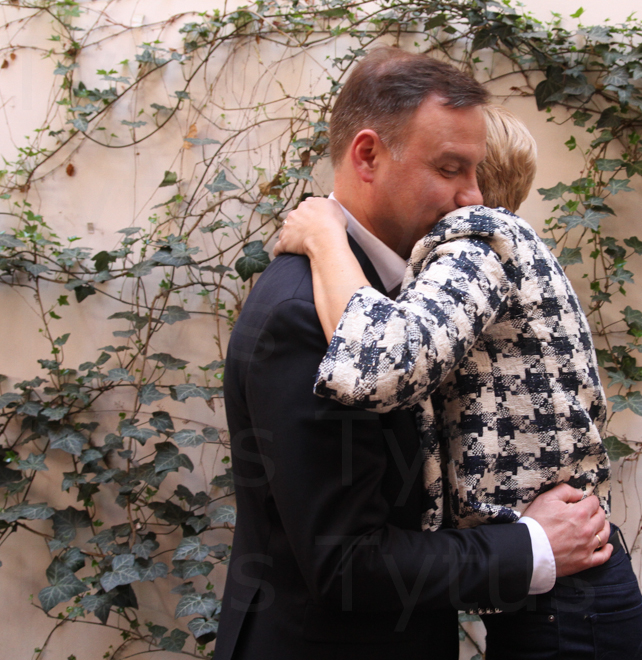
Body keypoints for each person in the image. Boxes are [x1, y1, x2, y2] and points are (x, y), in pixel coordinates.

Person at [214, 48, 612, 660]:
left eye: (477, 172)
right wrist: (533, 545)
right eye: (451, 168)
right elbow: (347, 561)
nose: (472, 198)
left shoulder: (405, 296)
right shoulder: (302, 315)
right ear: (368, 155)